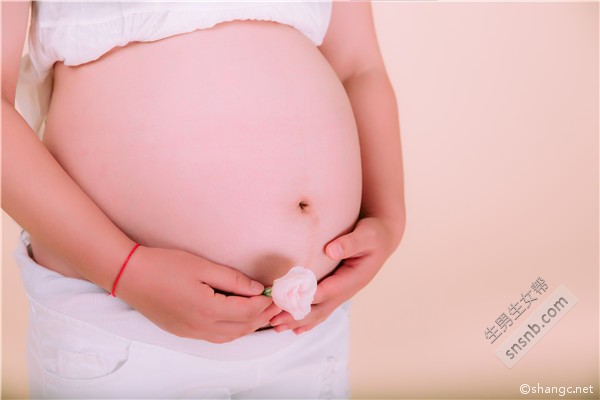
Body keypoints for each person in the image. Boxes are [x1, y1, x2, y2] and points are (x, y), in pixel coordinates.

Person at [2, 0, 406, 398]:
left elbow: (358, 65)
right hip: (122, 323)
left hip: (305, 327)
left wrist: (389, 216)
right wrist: (126, 270)